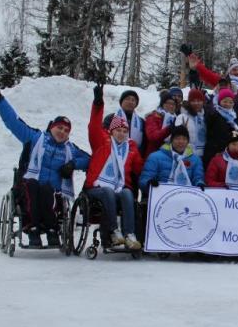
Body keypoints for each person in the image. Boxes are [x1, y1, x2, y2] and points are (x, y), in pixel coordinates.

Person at [0, 82, 90, 247]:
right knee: (32, 186)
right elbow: (14, 122)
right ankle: (32, 227)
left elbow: (89, 160)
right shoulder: (35, 138)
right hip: (28, 186)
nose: (62, 132)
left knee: (47, 189)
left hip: (54, 192)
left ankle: (52, 229)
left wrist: (73, 164)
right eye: (59, 128)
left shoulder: (71, 149)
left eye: (66, 130)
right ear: (52, 128)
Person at [86, 85, 145, 250]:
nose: (121, 134)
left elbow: (140, 168)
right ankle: (112, 231)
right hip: (97, 187)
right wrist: (98, 104)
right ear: (111, 132)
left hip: (119, 187)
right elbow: (94, 126)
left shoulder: (131, 148)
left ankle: (129, 234)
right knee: (108, 191)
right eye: (118, 130)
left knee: (127, 193)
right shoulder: (102, 143)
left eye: (124, 131)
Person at [139, 125, 205, 192]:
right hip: (162, 196)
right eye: (177, 138)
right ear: (171, 140)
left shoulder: (195, 159)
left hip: (186, 197)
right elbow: (144, 180)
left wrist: (199, 184)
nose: (181, 142)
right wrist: (149, 183)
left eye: (184, 139)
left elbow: (198, 178)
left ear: (188, 142)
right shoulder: (155, 157)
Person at [203, 87, 238, 168]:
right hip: (214, 152)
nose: (227, 104)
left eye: (230, 102)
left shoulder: (235, 117)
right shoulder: (214, 114)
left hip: (230, 153)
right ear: (219, 101)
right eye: (225, 101)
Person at [175, 88, 208, 159]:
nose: (196, 103)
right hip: (187, 155)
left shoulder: (206, 116)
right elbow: (177, 136)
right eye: (193, 101)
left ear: (203, 102)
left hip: (204, 154)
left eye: (199, 101)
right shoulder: (183, 117)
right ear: (189, 102)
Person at [144, 89, 178, 158]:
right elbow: (152, 137)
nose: (171, 106)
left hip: (171, 155)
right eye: (168, 103)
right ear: (162, 104)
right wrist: (169, 129)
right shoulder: (153, 117)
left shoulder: (176, 118)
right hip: (155, 155)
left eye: (173, 104)